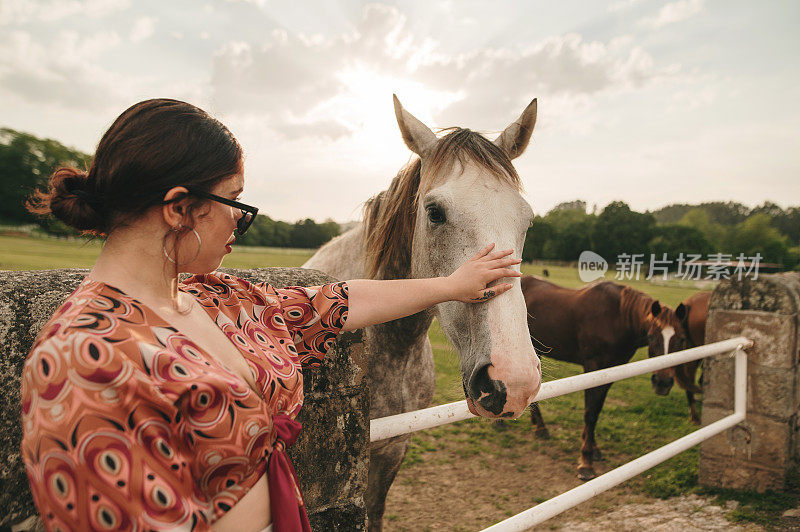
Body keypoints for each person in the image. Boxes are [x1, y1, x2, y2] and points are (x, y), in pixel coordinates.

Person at [20, 98, 522, 532]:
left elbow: (335, 302)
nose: (241, 216)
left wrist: (451, 285)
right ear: (178, 209)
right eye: (234, 199)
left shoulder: (207, 296)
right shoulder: (82, 360)